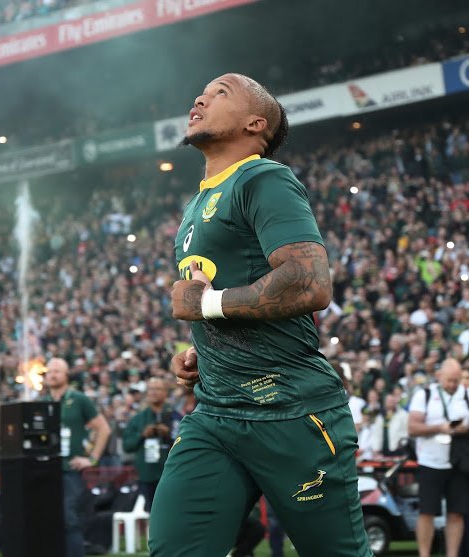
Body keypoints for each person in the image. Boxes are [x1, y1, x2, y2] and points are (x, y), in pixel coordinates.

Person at [151, 73, 372, 556]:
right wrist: (204, 350)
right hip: (215, 415)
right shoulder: (196, 206)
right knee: (175, 548)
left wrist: (207, 306)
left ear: (257, 124)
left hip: (290, 413)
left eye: (220, 92)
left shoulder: (263, 177)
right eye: (202, 90)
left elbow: (309, 281)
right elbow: (240, 292)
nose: (200, 96)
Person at [42, 358, 111, 557]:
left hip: (71, 469)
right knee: (49, 519)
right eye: (50, 372)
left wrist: (92, 459)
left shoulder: (79, 399)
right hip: (47, 469)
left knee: (69, 518)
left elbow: (103, 428)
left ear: (66, 375)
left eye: (57, 371)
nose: (52, 375)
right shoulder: (44, 402)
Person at [407, 358, 469, 557]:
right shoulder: (424, 394)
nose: (452, 385)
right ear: (439, 376)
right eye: (449, 380)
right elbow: (412, 427)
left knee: (456, 513)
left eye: (456, 380)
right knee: (427, 512)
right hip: (430, 462)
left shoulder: (466, 395)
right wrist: (439, 427)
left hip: (458, 463)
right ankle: (424, 554)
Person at [122, 377, 181, 510]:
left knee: (172, 512)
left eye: (158, 389)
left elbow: (187, 443)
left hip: (171, 475)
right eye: (151, 389)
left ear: (166, 392)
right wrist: (141, 435)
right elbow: (127, 445)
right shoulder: (138, 418)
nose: (154, 392)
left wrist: (170, 434)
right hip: (146, 476)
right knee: (150, 513)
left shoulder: (176, 417)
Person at [371, 392, 409, 458]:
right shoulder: (380, 416)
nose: (391, 403)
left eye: (392, 401)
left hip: (399, 450)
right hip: (383, 451)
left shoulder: (403, 415)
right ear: (385, 402)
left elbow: (407, 431)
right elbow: (377, 434)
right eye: (389, 401)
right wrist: (376, 449)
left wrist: (402, 443)